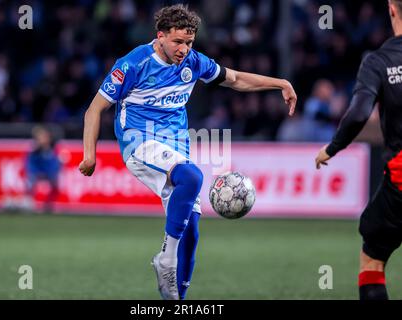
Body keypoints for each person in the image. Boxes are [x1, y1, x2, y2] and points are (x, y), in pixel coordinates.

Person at [79, 4, 297, 300]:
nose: (184, 49)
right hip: (139, 142)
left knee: (192, 232)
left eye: (189, 42)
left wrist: (279, 83)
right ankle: (165, 258)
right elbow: (94, 109)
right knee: (193, 177)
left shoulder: (194, 62)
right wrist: (89, 154)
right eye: (178, 42)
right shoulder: (133, 63)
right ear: (160, 36)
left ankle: (176, 302)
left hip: (175, 148)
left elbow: (235, 79)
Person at [315, 0, 402, 300]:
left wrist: (333, 147)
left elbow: (358, 112)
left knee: (373, 260)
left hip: (400, 179)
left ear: (392, 8)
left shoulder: (380, 61)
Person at [25, 125, 62, 213]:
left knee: (55, 183)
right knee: (30, 182)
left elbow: (55, 165)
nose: (43, 139)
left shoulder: (53, 149)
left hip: (49, 173)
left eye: (45, 137)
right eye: (41, 137)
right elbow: (30, 164)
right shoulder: (33, 150)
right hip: (36, 173)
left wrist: (51, 173)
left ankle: (49, 205)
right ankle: (29, 203)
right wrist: (35, 172)